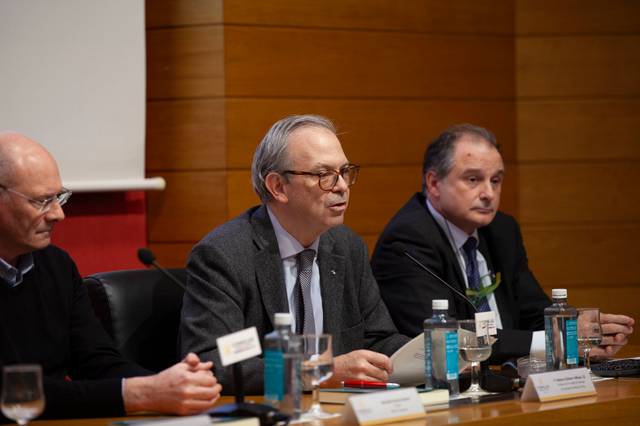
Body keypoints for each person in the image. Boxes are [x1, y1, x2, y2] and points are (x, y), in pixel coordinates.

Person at [180, 114, 409, 394]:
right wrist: (319, 373)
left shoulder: (347, 247)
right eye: (324, 175)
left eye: (345, 171)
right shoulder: (224, 255)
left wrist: (436, 354)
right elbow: (213, 362)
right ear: (278, 187)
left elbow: (377, 340)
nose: (342, 186)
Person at [0, 132, 222, 420]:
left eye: (58, 197)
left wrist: (169, 383)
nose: (58, 214)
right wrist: (140, 392)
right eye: (41, 201)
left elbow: (96, 363)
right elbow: (11, 394)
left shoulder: (56, 265)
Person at [371, 124, 634, 362]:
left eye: (495, 180)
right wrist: (556, 342)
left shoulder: (501, 230)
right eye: (473, 179)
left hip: (507, 378)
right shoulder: (407, 242)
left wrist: (578, 333)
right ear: (434, 183)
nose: (488, 194)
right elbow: (446, 340)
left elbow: (533, 314)